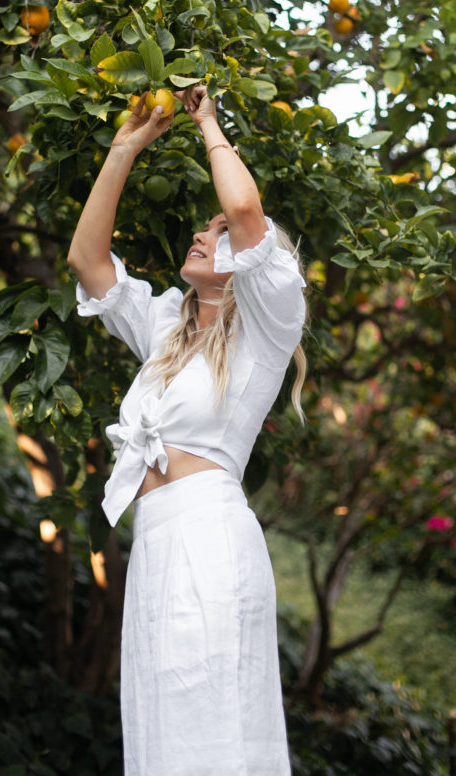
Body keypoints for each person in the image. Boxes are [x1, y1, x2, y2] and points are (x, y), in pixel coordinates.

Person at [67, 85, 307, 776]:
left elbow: (242, 207)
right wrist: (124, 147)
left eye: (218, 236)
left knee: (217, 733)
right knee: (164, 737)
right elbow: (88, 262)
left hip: (210, 538)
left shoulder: (267, 326)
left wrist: (205, 121)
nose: (204, 234)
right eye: (204, 231)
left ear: (249, 263)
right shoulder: (169, 323)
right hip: (158, 540)